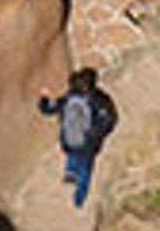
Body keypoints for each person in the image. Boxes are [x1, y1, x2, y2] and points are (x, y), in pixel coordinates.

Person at [40, 67, 118, 207]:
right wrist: (95, 134)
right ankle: (79, 198)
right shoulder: (98, 99)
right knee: (86, 170)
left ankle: (70, 171)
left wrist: (43, 98)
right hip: (87, 144)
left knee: (72, 153)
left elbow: (47, 110)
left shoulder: (67, 98)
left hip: (68, 141)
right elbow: (110, 120)